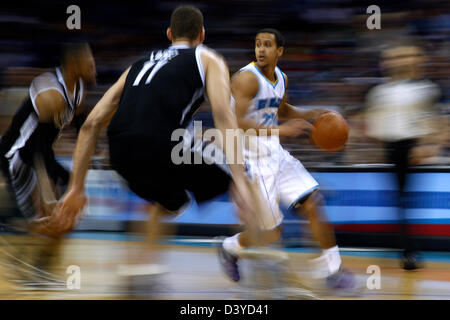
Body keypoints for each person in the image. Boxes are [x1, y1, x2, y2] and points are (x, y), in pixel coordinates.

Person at [48, 6, 267, 284]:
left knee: (173, 201)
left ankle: (140, 263)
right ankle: (251, 250)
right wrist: (239, 181)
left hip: (121, 154)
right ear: (201, 34)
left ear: (168, 34)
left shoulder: (137, 64)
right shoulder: (208, 57)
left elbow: (91, 125)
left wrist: (76, 189)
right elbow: (224, 117)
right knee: (244, 170)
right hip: (164, 145)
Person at [215, 29, 356, 291]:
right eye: (258, 44)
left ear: (279, 51)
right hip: (250, 159)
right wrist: (281, 130)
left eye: (267, 45)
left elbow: (281, 110)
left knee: (313, 202)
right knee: (270, 232)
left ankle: (333, 270)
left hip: (275, 153)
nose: (260, 49)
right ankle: (229, 247)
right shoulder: (246, 79)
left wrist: (312, 112)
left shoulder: (281, 78)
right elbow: (236, 123)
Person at [0, 43, 96, 287]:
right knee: (44, 217)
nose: (94, 66)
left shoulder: (79, 90)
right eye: (89, 62)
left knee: (66, 212)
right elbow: (38, 153)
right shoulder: (50, 94)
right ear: (74, 64)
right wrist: (46, 194)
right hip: (17, 156)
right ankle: (21, 248)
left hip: (42, 154)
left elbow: (82, 130)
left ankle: (38, 264)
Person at [365, 44, 441, 270]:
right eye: (393, 58)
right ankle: (409, 251)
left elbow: (433, 120)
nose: (398, 62)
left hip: (416, 146)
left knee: (410, 201)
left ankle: (411, 249)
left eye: (405, 57)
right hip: (394, 148)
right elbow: (374, 124)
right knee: (402, 201)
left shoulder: (426, 89)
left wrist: (427, 144)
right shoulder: (380, 92)